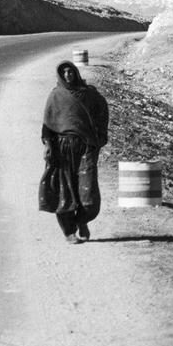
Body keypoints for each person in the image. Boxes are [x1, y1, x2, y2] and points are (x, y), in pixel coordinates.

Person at [39, 59, 109, 243]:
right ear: (61, 76)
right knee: (64, 190)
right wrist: (48, 145)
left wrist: (100, 137)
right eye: (65, 73)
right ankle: (69, 232)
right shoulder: (56, 96)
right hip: (61, 149)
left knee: (89, 191)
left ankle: (82, 220)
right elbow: (48, 125)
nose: (68, 75)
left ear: (76, 73)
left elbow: (102, 111)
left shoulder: (88, 94)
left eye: (71, 72)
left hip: (85, 147)